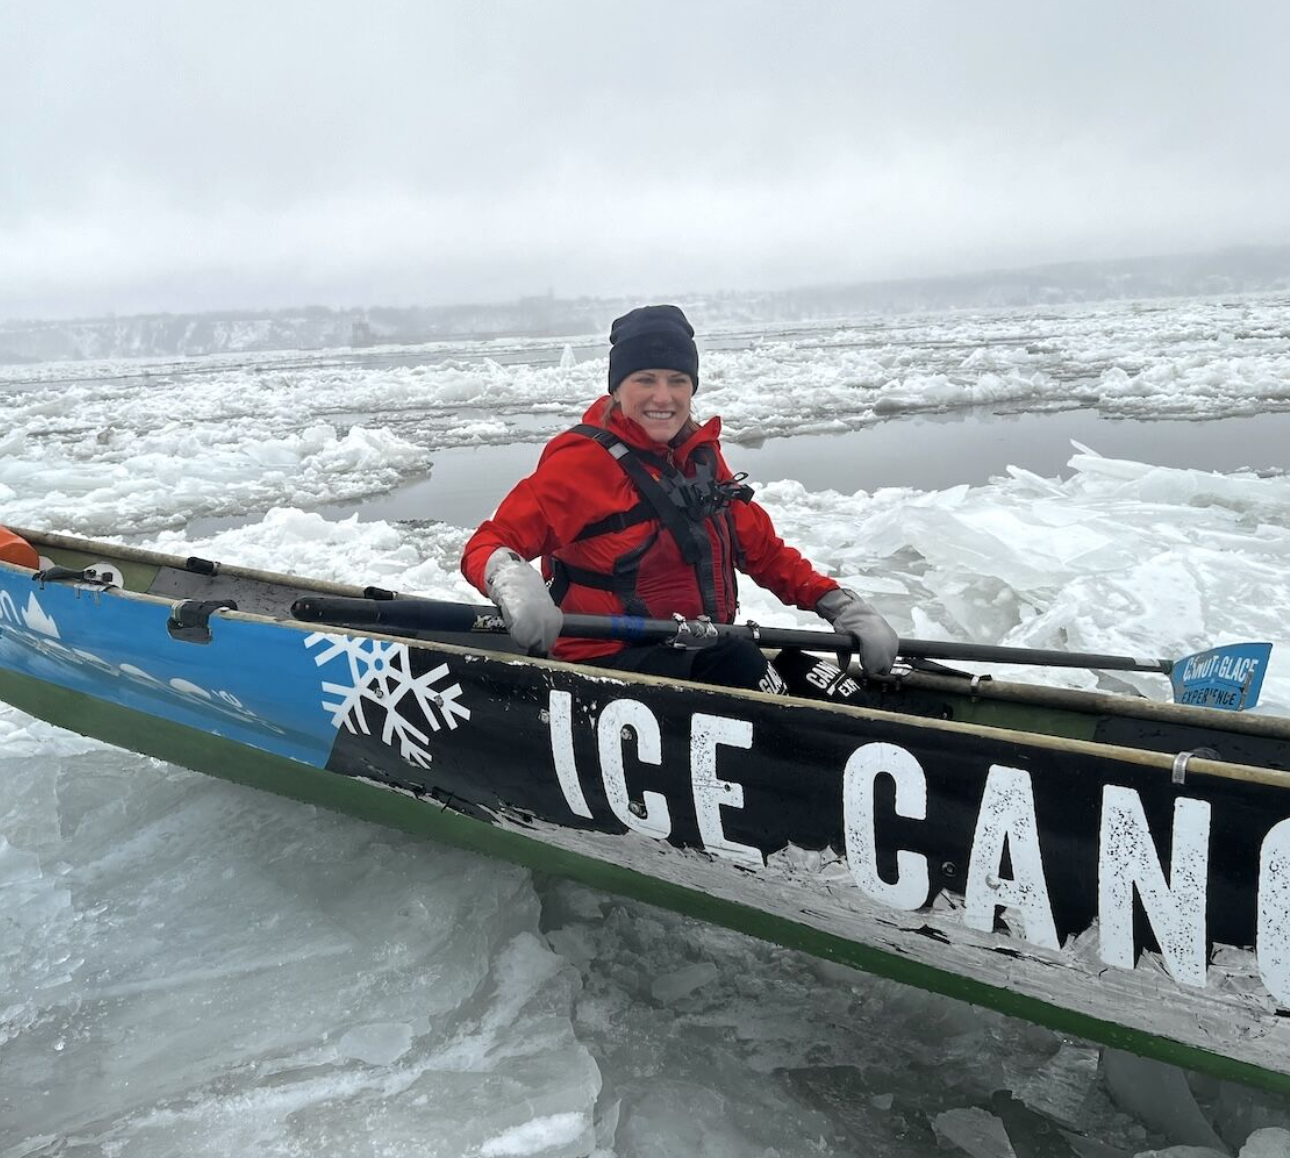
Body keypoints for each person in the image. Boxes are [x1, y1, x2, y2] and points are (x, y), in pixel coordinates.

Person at [460, 304, 898, 692]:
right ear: (617, 388)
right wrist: (512, 580)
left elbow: (763, 552)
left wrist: (836, 602)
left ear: (692, 387)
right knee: (740, 665)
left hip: (697, 652)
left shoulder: (700, 459)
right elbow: (490, 542)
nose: (663, 396)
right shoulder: (582, 462)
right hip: (606, 663)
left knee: (808, 674)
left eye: (677, 380)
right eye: (645, 380)